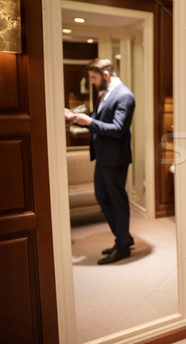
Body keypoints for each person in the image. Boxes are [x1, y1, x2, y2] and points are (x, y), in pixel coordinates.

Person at [65, 58, 136, 265]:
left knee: (117, 200)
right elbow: (98, 121)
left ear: (105, 75)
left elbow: (117, 129)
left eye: (94, 78)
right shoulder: (106, 94)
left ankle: (123, 246)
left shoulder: (124, 95)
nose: (93, 82)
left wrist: (89, 121)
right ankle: (124, 237)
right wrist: (77, 117)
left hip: (115, 159)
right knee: (102, 196)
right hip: (103, 157)